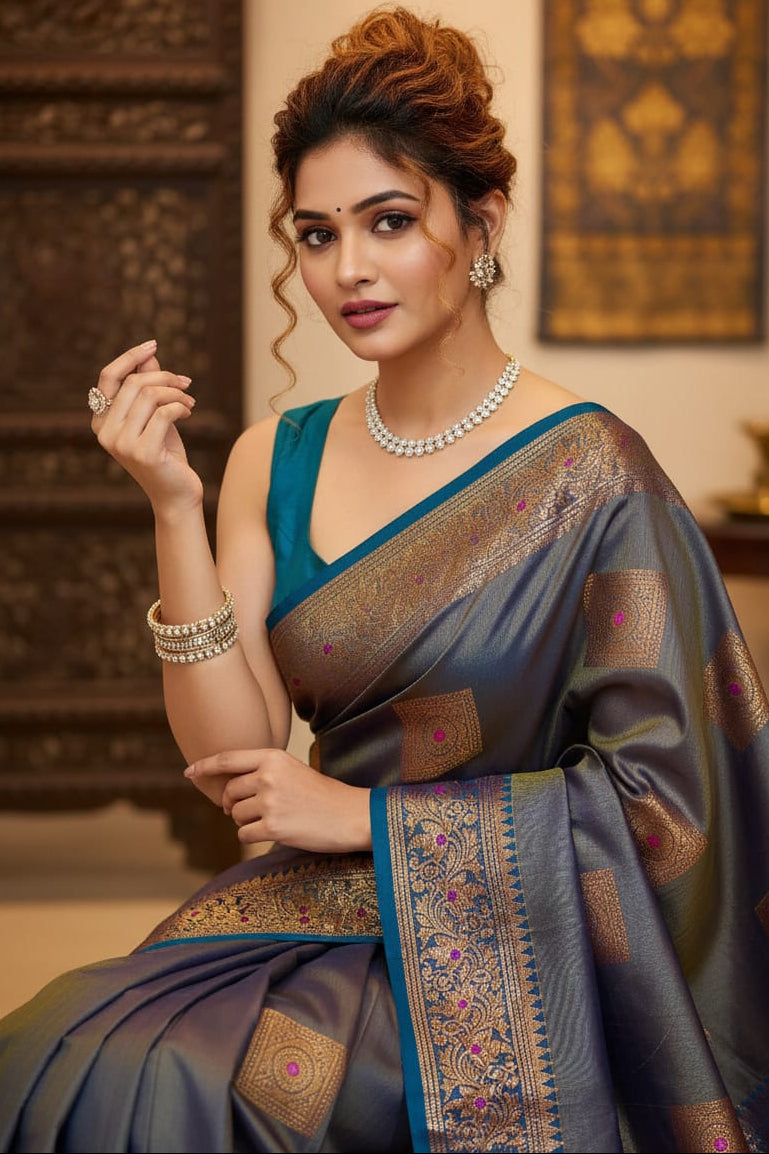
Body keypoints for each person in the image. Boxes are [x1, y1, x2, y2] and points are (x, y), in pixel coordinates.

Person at [1, 6, 768, 1152]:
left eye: (390, 221)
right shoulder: (277, 454)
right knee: (65, 1046)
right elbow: (234, 753)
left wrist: (368, 816)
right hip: (302, 906)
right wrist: (172, 503)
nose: (346, 269)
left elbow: (671, 806)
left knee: (203, 1087)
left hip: (511, 937)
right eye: (314, 234)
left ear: (479, 222)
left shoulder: (593, 473)